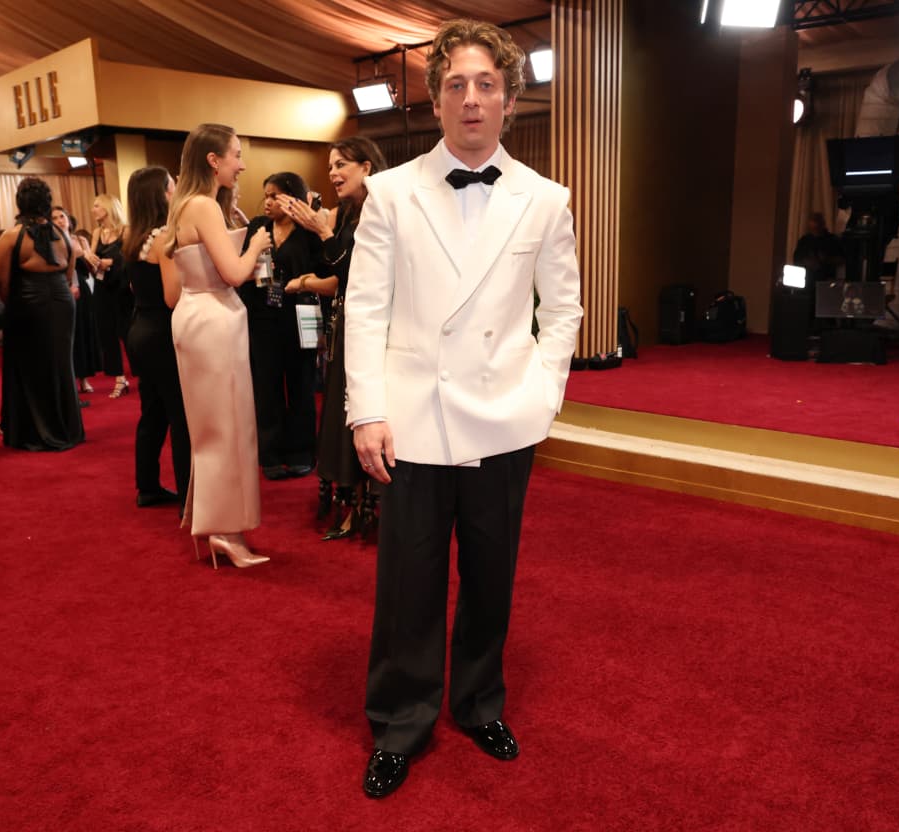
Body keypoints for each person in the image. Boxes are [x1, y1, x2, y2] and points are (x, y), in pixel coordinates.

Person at [346, 19, 583, 799]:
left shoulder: (547, 200)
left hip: (503, 417)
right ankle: (400, 722)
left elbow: (565, 309)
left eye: (486, 84)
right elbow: (366, 310)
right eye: (456, 85)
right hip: (412, 417)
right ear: (437, 100)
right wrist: (365, 409)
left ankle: (480, 702)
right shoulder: (389, 192)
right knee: (408, 582)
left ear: (510, 99)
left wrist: (542, 396)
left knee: (490, 575)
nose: (471, 99)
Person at [160, 123, 273, 568]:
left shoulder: (190, 205)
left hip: (198, 318)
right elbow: (233, 273)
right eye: (236, 154)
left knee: (215, 429)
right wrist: (259, 242)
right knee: (225, 429)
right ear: (214, 160)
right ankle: (224, 531)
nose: (242, 164)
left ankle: (217, 525)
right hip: (212, 320)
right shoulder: (203, 205)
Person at [283, 137, 387, 540]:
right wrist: (316, 236)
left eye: (342, 164)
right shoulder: (346, 212)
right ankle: (352, 503)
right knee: (342, 416)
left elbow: (354, 267)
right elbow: (335, 270)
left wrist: (322, 230)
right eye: (330, 166)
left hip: (376, 331)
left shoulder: (379, 212)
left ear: (367, 167)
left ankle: (370, 507)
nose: (333, 173)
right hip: (345, 323)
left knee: (364, 412)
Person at [238, 171, 323, 481]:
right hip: (264, 314)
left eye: (274, 195)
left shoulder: (310, 230)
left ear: (293, 197)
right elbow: (246, 268)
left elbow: (323, 271)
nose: (268, 202)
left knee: (302, 385)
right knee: (267, 385)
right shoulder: (258, 228)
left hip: (303, 314)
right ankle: (271, 452)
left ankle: (301, 451)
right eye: (266, 195)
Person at [0, 177, 85, 451]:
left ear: (20, 202)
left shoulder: (11, 237)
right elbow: (69, 276)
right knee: (61, 364)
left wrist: (16, 305)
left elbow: (1, 283)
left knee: (29, 366)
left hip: (28, 302)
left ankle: (35, 431)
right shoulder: (64, 236)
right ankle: (66, 427)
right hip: (62, 302)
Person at [123, 165, 190, 509]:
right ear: (161, 194)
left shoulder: (132, 234)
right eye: (172, 186)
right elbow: (172, 296)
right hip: (161, 332)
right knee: (180, 417)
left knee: (152, 412)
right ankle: (188, 498)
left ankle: (147, 485)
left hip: (139, 329)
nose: (177, 190)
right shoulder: (163, 237)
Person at [86, 193, 132, 398]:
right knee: (107, 334)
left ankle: (142, 372)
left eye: (96, 205)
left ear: (107, 208)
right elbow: (93, 259)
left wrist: (111, 263)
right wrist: (90, 259)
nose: (93, 209)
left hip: (121, 288)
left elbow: (129, 258)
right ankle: (119, 378)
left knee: (128, 332)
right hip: (102, 287)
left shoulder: (125, 230)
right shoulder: (97, 232)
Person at [53, 207, 100, 395]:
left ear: (69, 219)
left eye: (62, 216)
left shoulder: (80, 240)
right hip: (61, 290)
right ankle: (68, 380)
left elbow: (93, 269)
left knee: (82, 334)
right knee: (67, 336)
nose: (59, 220)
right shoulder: (52, 242)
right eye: (54, 218)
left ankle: (84, 379)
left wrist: (86, 255)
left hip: (82, 290)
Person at [793, 211, 845, 288]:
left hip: (827, 281)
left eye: (817, 228)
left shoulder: (832, 240)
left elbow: (842, 259)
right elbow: (796, 259)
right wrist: (807, 262)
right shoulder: (804, 241)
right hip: (806, 281)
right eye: (813, 229)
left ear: (823, 225)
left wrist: (827, 259)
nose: (815, 231)